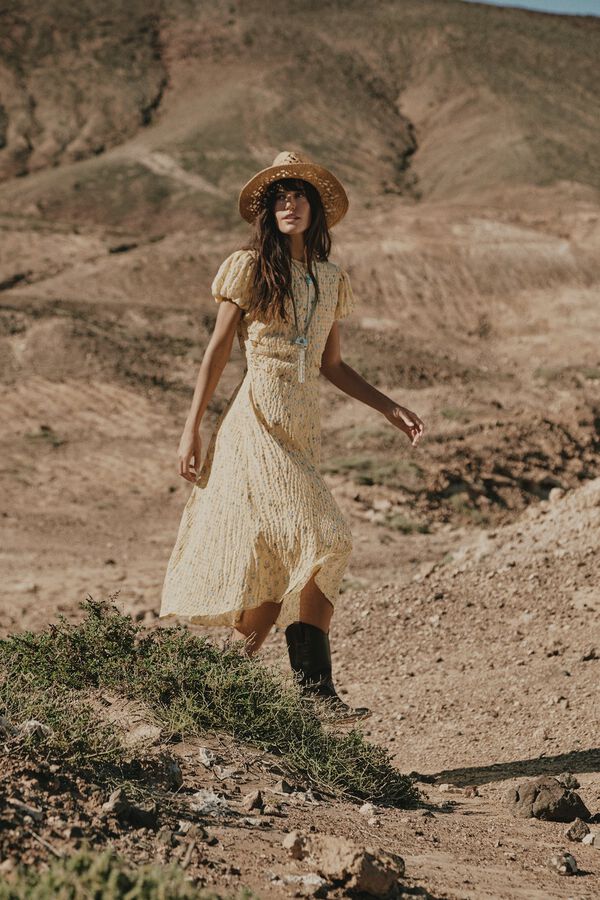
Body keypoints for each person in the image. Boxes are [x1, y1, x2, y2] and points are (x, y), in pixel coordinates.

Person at [159, 150, 425, 723]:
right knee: (329, 537)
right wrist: (192, 430)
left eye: (298, 196)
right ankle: (316, 696)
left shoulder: (329, 280)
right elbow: (218, 351)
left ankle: (218, 691)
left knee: (284, 563)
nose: (289, 204)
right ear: (267, 212)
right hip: (256, 422)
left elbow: (333, 364)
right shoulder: (249, 267)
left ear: (316, 210)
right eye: (279, 198)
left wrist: (388, 406)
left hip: (303, 428)